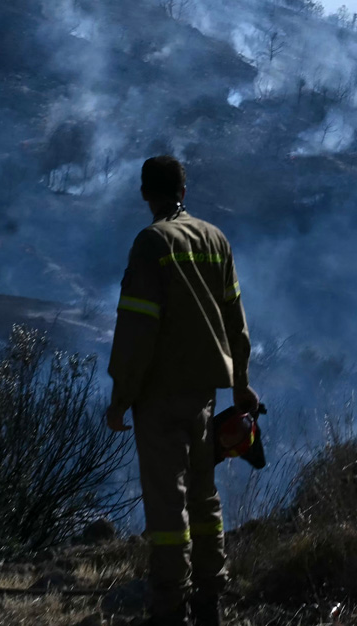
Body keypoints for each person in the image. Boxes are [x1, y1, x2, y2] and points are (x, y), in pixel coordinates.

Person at [104, 155, 256, 626]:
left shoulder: (151, 243)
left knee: (167, 504)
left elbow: (136, 330)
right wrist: (241, 386)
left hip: (159, 396)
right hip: (205, 397)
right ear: (184, 191)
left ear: (145, 193)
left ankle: (169, 607)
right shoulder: (216, 240)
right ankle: (210, 598)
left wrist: (121, 396)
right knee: (205, 497)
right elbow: (237, 322)